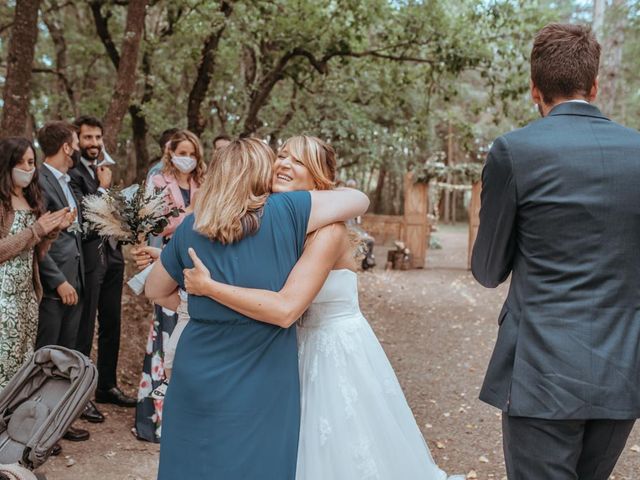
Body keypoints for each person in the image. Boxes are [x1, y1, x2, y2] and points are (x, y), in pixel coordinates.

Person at [182, 135, 460, 480]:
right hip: (287, 350)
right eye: (281, 156)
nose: (283, 164)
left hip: (333, 353)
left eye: (297, 161)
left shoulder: (328, 232)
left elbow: (285, 308)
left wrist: (208, 288)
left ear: (318, 180)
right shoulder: (271, 223)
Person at [471, 24, 640, 480]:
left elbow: (487, 270)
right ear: (595, 85)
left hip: (539, 373)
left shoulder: (514, 151)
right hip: (622, 370)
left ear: (534, 89)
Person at [144, 138, 369, 479]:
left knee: (191, 464)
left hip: (197, 368)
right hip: (261, 371)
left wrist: (202, 303)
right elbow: (358, 199)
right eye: (278, 159)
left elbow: (155, 290)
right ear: (262, 175)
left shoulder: (193, 225)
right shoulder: (288, 212)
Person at [132, 129, 206, 442]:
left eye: (192, 153)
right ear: (170, 152)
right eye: (182, 152)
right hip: (166, 260)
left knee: (191, 337)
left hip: (198, 266)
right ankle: (154, 419)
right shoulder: (158, 180)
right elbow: (152, 224)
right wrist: (189, 216)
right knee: (165, 337)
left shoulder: (204, 182)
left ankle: (188, 415)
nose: (186, 158)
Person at [69, 115, 135, 423]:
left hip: (113, 256)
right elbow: (86, 215)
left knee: (112, 323)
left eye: (98, 137)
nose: (94, 143)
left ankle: (106, 386)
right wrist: (104, 189)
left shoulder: (102, 169)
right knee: (84, 328)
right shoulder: (71, 174)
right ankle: (77, 396)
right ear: (77, 140)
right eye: (88, 138)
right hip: (88, 258)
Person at [0, 137, 72, 388]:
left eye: (31, 162)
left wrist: (52, 231)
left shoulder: (32, 200)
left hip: (26, 295)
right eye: (20, 163)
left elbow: (37, 252)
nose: (27, 169)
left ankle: (11, 419)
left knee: (22, 362)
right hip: (3, 296)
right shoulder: (2, 202)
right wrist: (36, 230)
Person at [36, 121, 90, 443]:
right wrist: (58, 282)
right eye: (75, 142)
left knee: (67, 357)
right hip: (57, 285)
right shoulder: (40, 181)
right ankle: (37, 428)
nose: (78, 148)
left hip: (77, 278)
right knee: (47, 358)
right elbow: (39, 241)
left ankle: (58, 424)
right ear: (67, 146)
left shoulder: (67, 181)